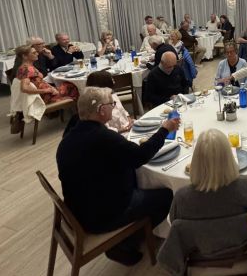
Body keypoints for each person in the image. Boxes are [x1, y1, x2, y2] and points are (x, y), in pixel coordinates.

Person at [57, 87, 178, 266]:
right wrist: (164, 130)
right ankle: (123, 243)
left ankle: (130, 236)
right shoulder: (103, 137)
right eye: (111, 104)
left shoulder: (67, 139)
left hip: (78, 211)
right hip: (103, 216)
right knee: (168, 196)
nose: (114, 107)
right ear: (101, 110)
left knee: (136, 178)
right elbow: (140, 156)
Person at [163, 128, 247, 276]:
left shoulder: (181, 198)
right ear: (229, 158)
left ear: (196, 161)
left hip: (198, 260)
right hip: (240, 255)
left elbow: (174, 226)